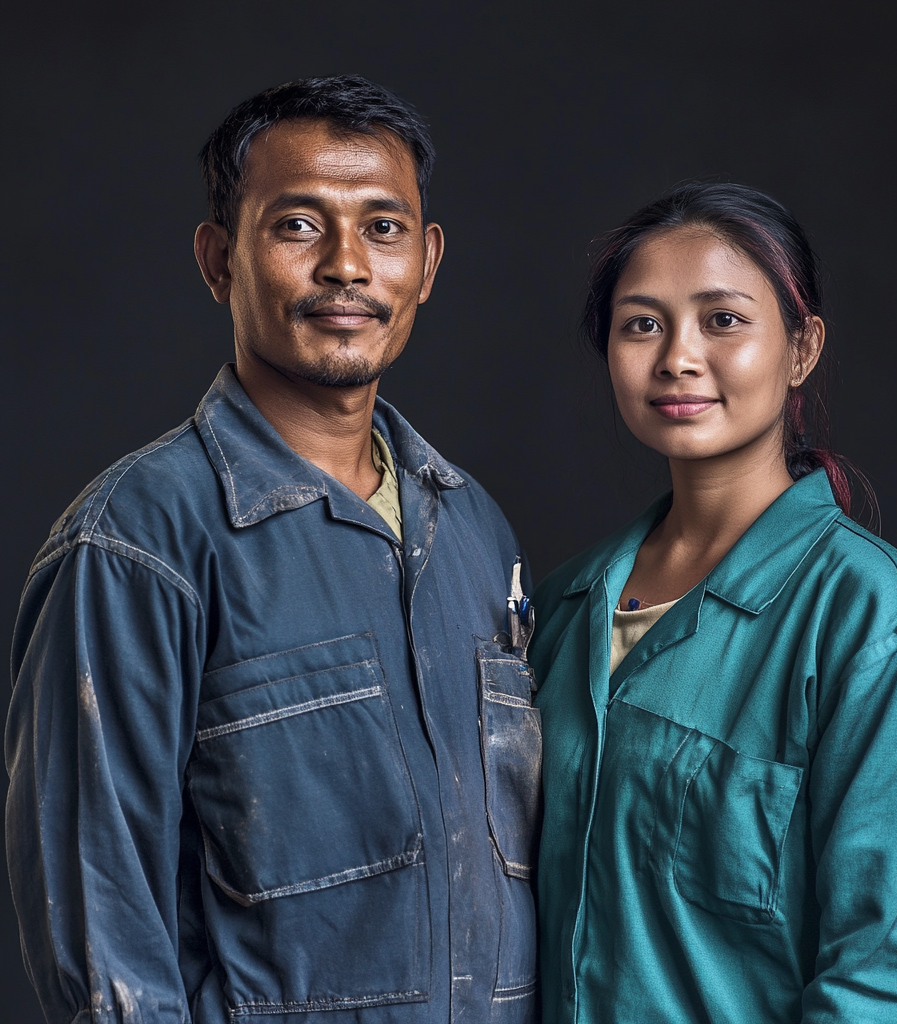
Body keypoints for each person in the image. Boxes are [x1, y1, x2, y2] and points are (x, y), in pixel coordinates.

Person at [6, 76, 541, 1024]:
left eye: (383, 229)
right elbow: (101, 943)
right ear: (219, 260)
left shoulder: (473, 531)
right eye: (299, 225)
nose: (347, 266)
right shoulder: (137, 542)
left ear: (427, 261)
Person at [530, 182, 897, 1022]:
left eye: (723, 319)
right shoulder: (563, 607)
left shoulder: (872, 620)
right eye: (642, 323)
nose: (677, 355)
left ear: (802, 347)